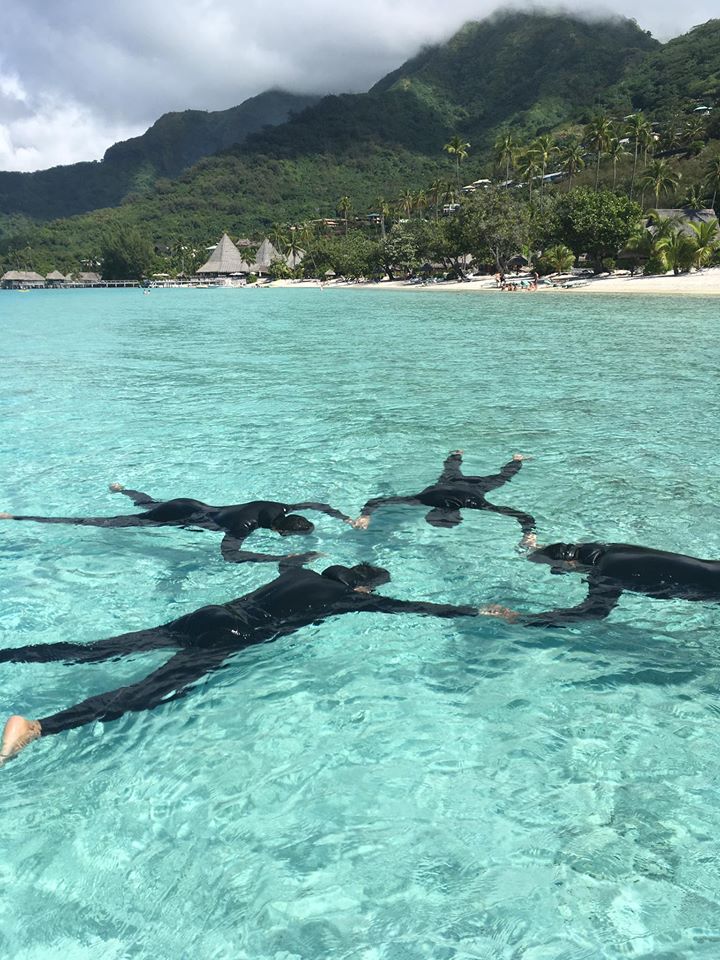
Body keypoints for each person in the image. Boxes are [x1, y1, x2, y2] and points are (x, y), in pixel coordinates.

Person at [0, 561, 480, 763]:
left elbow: (284, 564)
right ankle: (39, 726)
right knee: (148, 692)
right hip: (232, 635)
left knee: (93, 649)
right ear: (363, 587)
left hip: (208, 614)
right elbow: (415, 609)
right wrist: (479, 611)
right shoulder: (349, 599)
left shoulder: (299, 571)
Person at [0, 485, 353, 565]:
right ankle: (16, 517)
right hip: (186, 515)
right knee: (109, 523)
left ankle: (125, 489)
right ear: (280, 531)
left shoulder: (278, 507)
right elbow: (230, 556)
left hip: (191, 503)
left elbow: (315, 504)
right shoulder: (243, 528)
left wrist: (346, 517)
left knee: (147, 504)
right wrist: (282, 560)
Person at [481, 540, 720, 627]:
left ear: (571, 564)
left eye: (557, 568)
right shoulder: (613, 549)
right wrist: (535, 548)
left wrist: (522, 619)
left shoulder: (606, 572)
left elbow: (593, 613)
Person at [354, 450, 536, 544]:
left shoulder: (474, 503)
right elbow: (377, 501)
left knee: (503, 477)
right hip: (451, 482)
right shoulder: (423, 500)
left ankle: (516, 459)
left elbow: (522, 516)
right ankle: (457, 454)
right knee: (451, 470)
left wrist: (529, 534)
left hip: (478, 486)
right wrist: (365, 515)